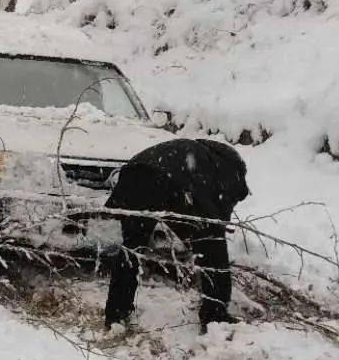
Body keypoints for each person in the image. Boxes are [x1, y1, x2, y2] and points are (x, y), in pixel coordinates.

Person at [103, 137, 249, 332]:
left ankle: (116, 314)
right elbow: (212, 216)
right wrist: (213, 233)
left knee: (132, 249)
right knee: (212, 245)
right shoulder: (225, 171)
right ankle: (215, 315)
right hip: (164, 181)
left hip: (133, 175)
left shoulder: (195, 154)